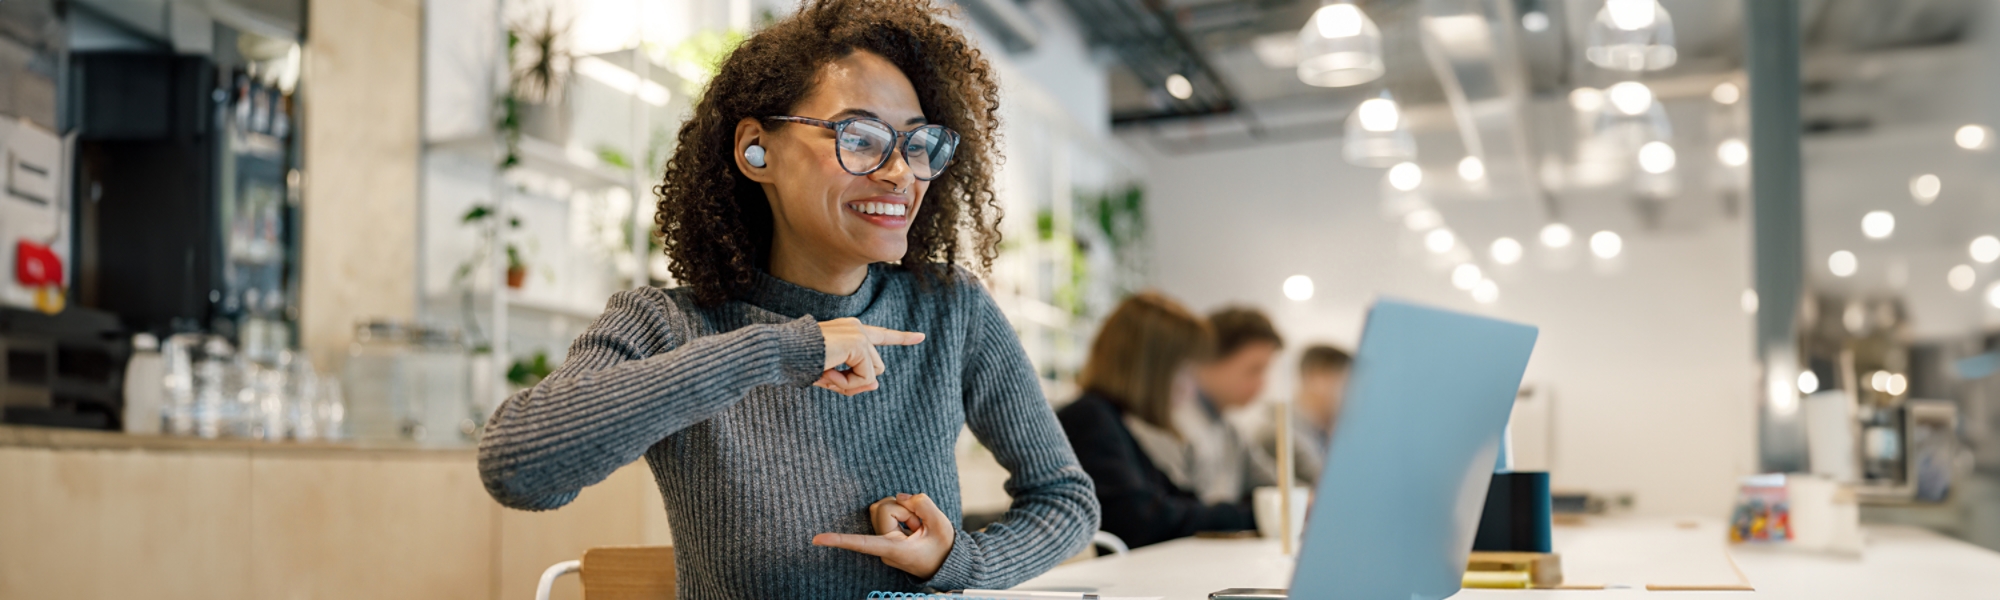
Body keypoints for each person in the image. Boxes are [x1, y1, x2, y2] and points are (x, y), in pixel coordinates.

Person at [476, 0, 1099, 596]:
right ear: (757, 149)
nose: (900, 172)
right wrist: (781, 349)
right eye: (859, 137)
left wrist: (958, 559)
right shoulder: (667, 324)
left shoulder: (948, 308)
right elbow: (517, 466)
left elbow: (1066, 500)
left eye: (916, 144)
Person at [1057, 292, 1257, 549]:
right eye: (1184, 369)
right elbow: (1141, 521)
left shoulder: (1111, 420)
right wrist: (1253, 514)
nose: (1190, 389)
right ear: (1152, 368)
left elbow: (1177, 502)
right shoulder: (1089, 419)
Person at [1172, 307, 1285, 507]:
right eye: (1254, 370)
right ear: (1209, 357)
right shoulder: (1171, 423)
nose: (1262, 384)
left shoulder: (1230, 432)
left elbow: (1279, 485)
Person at [1265, 344, 1352, 484]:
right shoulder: (1281, 432)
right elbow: (1333, 485)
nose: (1353, 396)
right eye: (1347, 383)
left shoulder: (1318, 432)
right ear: (1318, 377)